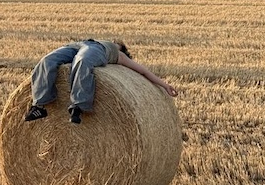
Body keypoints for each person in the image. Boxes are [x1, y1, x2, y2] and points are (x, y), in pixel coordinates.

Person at [25, 38, 177, 124]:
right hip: (76, 45)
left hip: (94, 49)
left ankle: (79, 105)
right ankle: (39, 104)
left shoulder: (117, 54)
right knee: (47, 61)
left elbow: (142, 71)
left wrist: (164, 85)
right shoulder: (94, 42)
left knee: (82, 62)